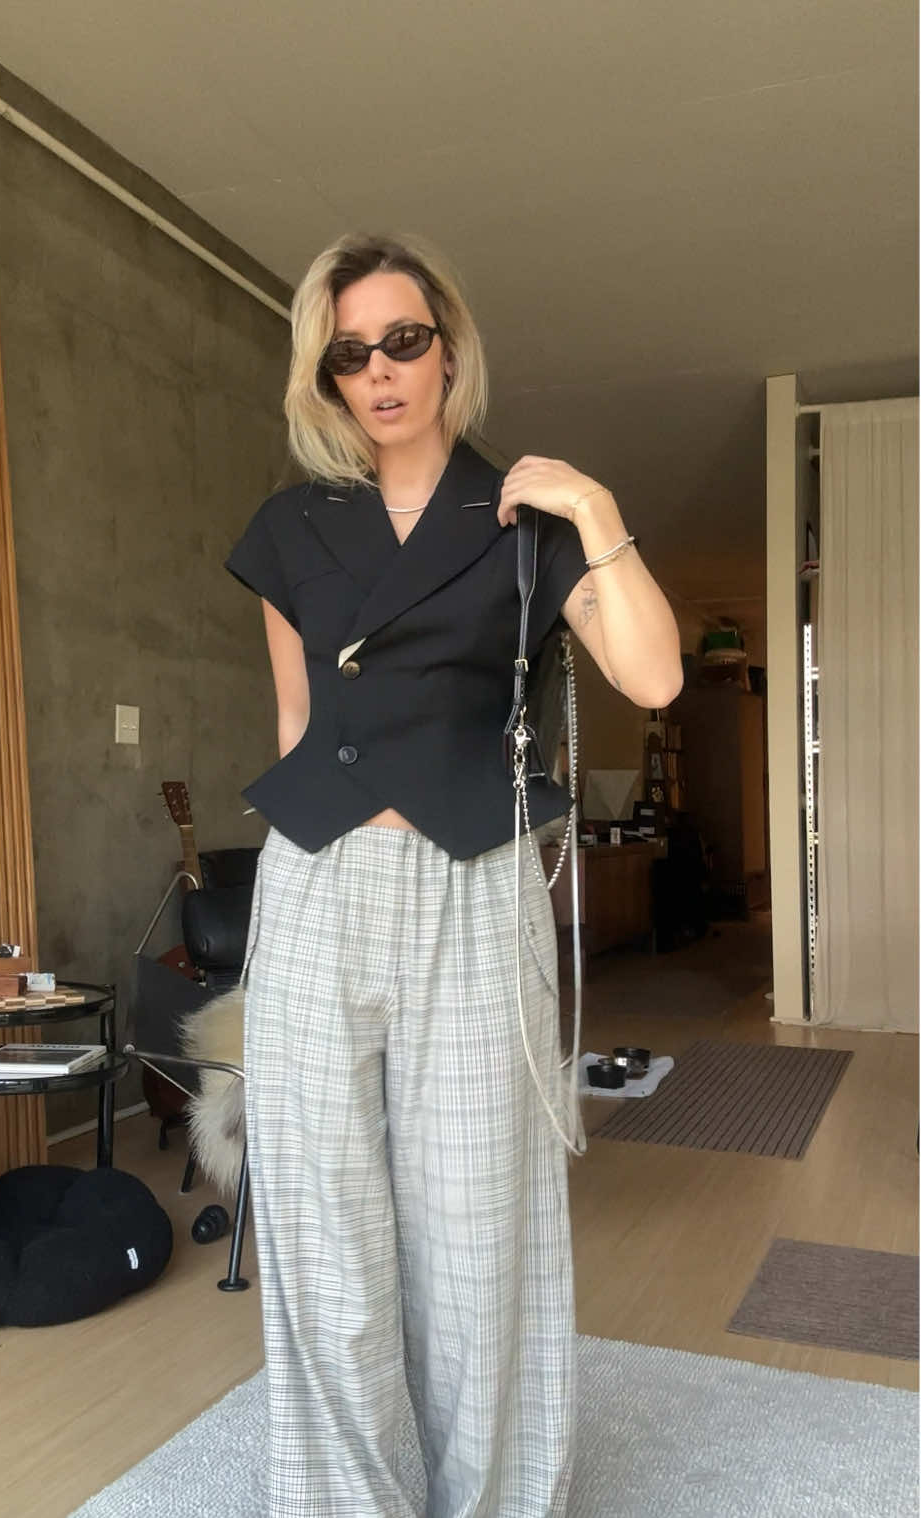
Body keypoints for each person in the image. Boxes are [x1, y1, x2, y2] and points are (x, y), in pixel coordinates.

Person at [224, 232, 682, 1518]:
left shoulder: (527, 524)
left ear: (448, 350)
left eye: (403, 341)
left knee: (478, 1226)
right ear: (324, 375)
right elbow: (297, 726)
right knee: (325, 1229)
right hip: (319, 884)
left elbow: (652, 675)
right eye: (349, 353)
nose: (379, 371)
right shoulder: (290, 528)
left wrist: (597, 513)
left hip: (473, 883)